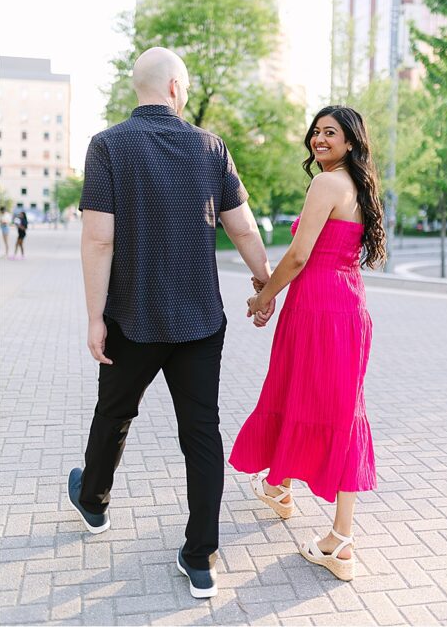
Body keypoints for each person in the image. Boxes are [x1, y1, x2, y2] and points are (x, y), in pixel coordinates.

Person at [67, 47, 274, 599]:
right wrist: (265, 285)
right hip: (200, 320)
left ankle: (93, 500)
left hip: (132, 317)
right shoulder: (211, 147)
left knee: (114, 412)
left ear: (139, 88)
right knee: (201, 433)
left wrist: (94, 317)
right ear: (178, 88)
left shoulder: (107, 145)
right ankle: (200, 556)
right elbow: (244, 229)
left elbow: (98, 237)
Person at [229, 105, 385, 582]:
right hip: (345, 306)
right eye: (316, 132)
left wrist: (262, 299)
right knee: (328, 404)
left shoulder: (327, 183)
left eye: (330, 133)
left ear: (351, 142)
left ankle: (340, 541)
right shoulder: (358, 187)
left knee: (312, 400)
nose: (319, 140)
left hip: (318, 308)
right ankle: (279, 488)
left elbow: (298, 256)